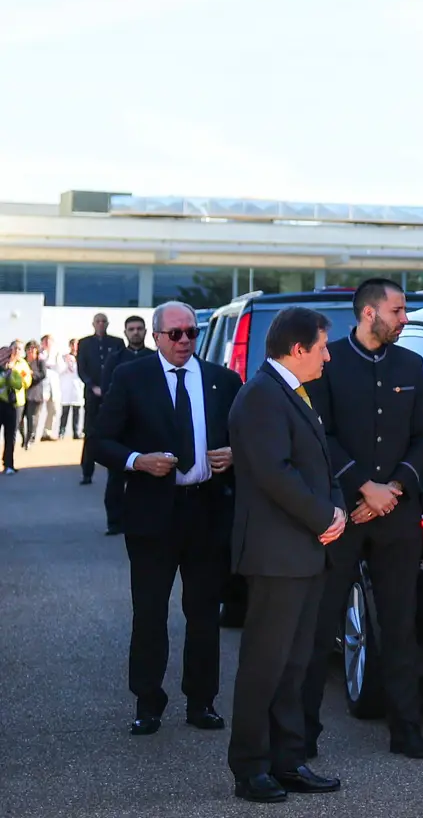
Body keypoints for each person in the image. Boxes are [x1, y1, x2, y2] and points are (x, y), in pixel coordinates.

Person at [300, 279, 423, 762]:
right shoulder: (330, 362)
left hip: (396, 515)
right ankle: (303, 735)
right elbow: (322, 434)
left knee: (399, 626)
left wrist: (393, 488)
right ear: (368, 314)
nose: (405, 318)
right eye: (398, 310)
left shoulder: (411, 364)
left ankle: (407, 731)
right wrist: (363, 487)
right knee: (320, 625)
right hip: (343, 514)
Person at [89, 301, 241, 735]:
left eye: (191, 332)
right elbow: (101, 441)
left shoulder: (222, 381)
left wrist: (235, 454)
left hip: (206, 511)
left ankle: (202, 701)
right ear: (155, 336)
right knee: (150, 613)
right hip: (152, 515)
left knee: (204, 613)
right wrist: (138, 460)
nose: (184, 341)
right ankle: (148, 702)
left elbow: (249, 436)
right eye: (174, 334)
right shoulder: (131, 378)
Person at [226, 306, 346, 802]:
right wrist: (325, 518)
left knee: (295, 664)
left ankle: (288, 760)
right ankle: (250, 767)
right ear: (297, 349)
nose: (327, 356)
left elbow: (316, 465)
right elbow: (276, 475)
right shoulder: (260, 397)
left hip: (304, 552)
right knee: (265, 665)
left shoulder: (292, 391)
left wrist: (335, 507)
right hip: (278, 555)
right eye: (321, 346)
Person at [99, 315, 152, 534]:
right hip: (122, 427)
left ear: (146, 331)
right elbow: (106, 389)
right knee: (116, 476)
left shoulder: (154, 357)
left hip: (149, 424)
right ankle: (115, 521)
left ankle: (147, 518)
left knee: (149, 477)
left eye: (139, 328)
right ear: (125, 333)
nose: (136, 332)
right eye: (131, 329)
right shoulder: (116, 359)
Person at [78, 312, 126, 484]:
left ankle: (117, 471)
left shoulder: (117, 343)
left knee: (115, 432)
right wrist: (92, 386)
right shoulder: (84, 343)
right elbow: (81, 369)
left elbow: (122, 366)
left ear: (107, 324)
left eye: (103, 321)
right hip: (93, 395)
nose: (100, 324)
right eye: (98, 321)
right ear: (93, 324)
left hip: (113, 394)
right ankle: (87, 472)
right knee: (90, 433)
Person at [2, 342, 27, 472]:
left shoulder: (15, 369)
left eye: (6, 355)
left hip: (11, 404)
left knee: (10, 435)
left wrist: (10, 374)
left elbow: (19, 384)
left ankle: (8, 464)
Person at [21, 340, 47, 449]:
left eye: (33, 349)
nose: (31, 351)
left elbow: (43, 374)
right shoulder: (22, 361)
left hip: (35, 394)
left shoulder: (40, 362)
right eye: (29, 349)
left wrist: (32, 374)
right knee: (19, 419)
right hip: (22, 394)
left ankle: (30, 439)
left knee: (32, 418)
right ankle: (23, 437)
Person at [56, 339, 84, 438]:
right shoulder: (64, 357)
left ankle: (76, 432)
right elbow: (60, 370)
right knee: (65, 411)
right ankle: (61, 432)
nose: (74, 347)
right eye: (72, 344)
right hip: (67, 387)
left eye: (76, 345)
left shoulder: (82, 357)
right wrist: (67, 362)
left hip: (78, 387)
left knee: (77, 412)